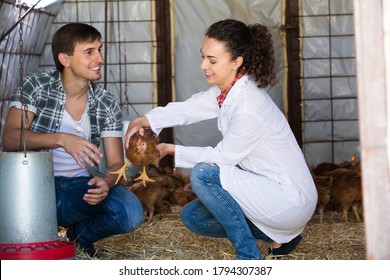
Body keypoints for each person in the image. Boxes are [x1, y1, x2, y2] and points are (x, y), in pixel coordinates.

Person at [125, 19, 318, 260]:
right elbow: (190, 109)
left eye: (212, 60)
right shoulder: (227, 91)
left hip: (288, 199)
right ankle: (279, 237)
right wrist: (145, 120)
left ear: (237, 62)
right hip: (266, 190)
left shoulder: (248, 105)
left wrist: (171, 149)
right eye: (203, 56)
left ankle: (248, 256)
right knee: (193, 217)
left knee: (204, 174)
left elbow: (222, 159)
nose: (203, 65)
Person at [2, 23, 144, 257]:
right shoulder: (36, 85)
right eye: (89, 52)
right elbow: (10, 139)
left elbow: (117, 164)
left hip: (81, 188)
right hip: (32, 187)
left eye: (100, 49)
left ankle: (79, 237)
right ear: (65, 59)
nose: (100, 58)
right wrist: (61, 139)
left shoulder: (106, 103)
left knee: (130, 212)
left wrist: (106, 183)